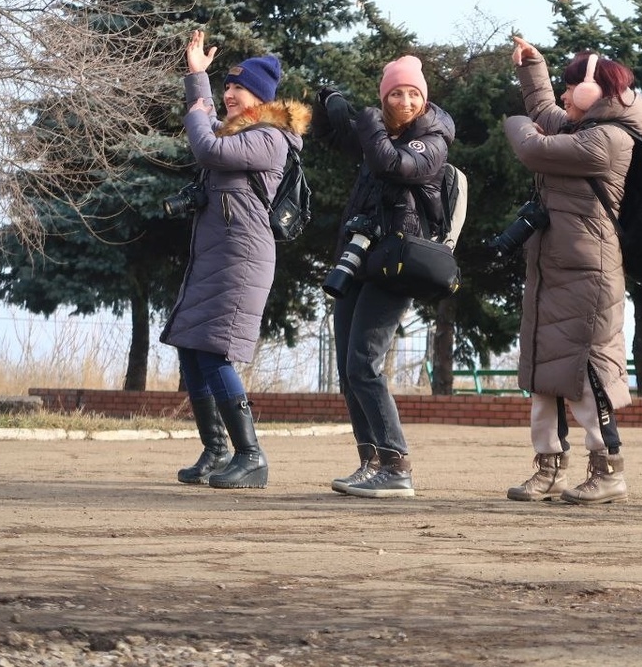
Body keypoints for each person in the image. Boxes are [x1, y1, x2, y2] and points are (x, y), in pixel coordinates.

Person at [503, 35, 642, 505]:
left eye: (573, 87)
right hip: (556, 266)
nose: (566, 95)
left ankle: (608, 469)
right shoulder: (582, 127)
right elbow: (548, 113)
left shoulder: (608, 140)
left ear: (597, 92)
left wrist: (515, 121)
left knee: (588, 373)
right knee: (543, 369)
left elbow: (533, 146)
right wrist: (533, 68)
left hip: (590, 273)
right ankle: (548, 467)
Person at [164, 30, 309, 489]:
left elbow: (206, 147)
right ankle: (216, 449)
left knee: (216, 352)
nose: (228, 94)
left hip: (242, 259)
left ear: (260, 99)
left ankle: (251, 455)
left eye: (237, 89)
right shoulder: (241, 135)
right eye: (225, 87)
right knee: (192, 347)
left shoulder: (271, 137)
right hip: (216, 256)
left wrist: (197, 86)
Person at [318, 55, 454, 499]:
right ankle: (370, 461)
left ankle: (396, 464)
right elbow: (336, 140)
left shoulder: (433, 138)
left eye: (413, 92)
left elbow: (392, 166)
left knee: (365, 363)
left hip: (397, 263)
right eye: (396, 92)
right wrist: (330, 104)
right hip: (359, 259)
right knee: (347, 368)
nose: (406, 100)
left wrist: (370, 121)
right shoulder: (379, 134)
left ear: (425, 97)